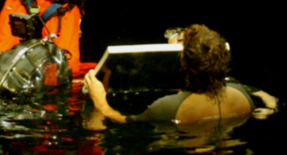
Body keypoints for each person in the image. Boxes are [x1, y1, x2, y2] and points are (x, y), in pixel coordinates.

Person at [85, 24, 264, 125]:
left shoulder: (168, 107)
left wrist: (100, 101)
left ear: (185, 63)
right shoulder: (243, 95)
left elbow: (123, 121)